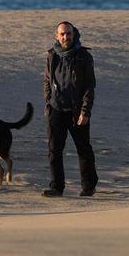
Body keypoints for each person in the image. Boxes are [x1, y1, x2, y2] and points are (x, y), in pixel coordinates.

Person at [42, 21, 98, 197]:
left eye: (68, 34)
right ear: (57, 36)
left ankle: (88, 186)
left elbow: (89, 86)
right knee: (54, 150)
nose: (66, 37)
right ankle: (56, 187)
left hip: (76, 111)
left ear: (74, 34)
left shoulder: (83, 56)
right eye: (62, 34)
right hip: (56, 109)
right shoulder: (52, 55)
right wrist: (48, 103)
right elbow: (47, 81)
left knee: (83, 149)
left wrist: (85, 111)